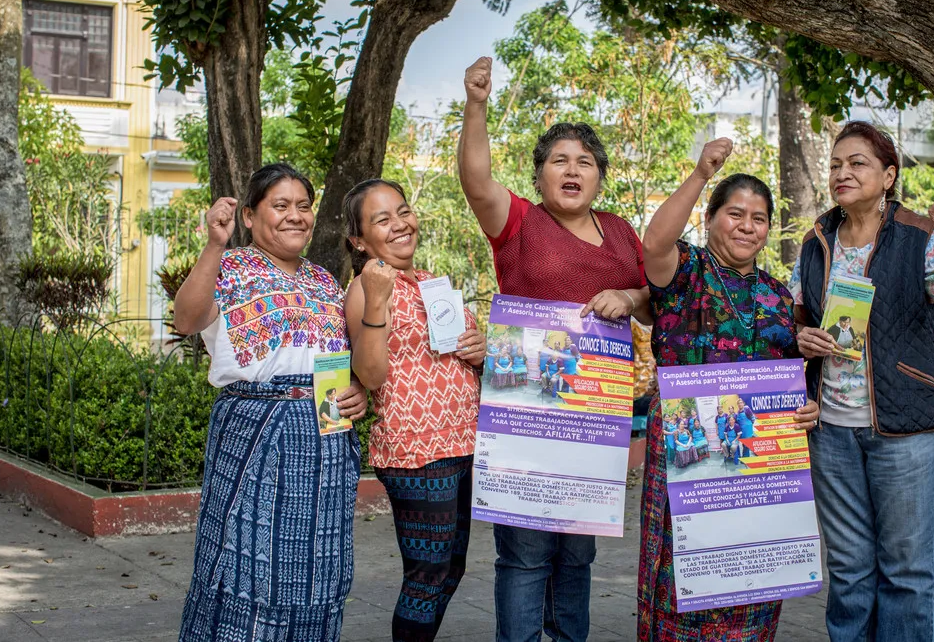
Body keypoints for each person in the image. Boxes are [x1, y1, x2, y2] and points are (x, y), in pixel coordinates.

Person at [459, 56, 651, 642]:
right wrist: (476, 104)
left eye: (585, 163)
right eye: (559, 161)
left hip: (595, 415)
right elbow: (474, 177)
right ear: (539, 176)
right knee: (524, 555)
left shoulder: (620, 231)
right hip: (525, 412)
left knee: (576, 556)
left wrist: (628, 292)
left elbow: (652, 298)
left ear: (599, 177)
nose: (572, 170)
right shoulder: (517, 222)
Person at [791, 121, 934, 642]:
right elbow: (794, 321)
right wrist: (802, 338)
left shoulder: (921, 237)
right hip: (831, 430)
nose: (842, 172)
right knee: (851, 572)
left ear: (888, 175)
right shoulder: (816, 242)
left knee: (906, 573)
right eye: (835, 164)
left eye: (857, 163)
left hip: (905, 430)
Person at [173, 163, 367, 642]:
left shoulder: (324, 281)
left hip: (325, 430)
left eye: (303, 206)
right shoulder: (232, 267)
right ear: (249, 216)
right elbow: (186, 319)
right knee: (248, 558)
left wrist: (357, 389)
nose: (295, 216)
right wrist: (215, 245)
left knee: (319, 564)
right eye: (280, 206)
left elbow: (336, 358)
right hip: (257, 423)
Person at [639, 139, 819, 640]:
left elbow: (788, 383)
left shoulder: (778, 296)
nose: (747, 225)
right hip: (688, 456)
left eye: (758, 218)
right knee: (685, 575)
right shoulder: (685, 272)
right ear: (710, 218)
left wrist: (806, 408)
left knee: (753, 579)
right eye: (734, 214)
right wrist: (700, 172)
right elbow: (653, 243)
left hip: (757, 464)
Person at [342, 178, 488, 642]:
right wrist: (379, 298)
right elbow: (369, 374)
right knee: (427, 573)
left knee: (452, 567)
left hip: (464, 440)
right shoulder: (365, 288)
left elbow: (463, 355)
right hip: (416, 450)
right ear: (359, 241)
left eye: (403, 211)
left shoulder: (431, 283)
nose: (400, 224)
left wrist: (481, 349)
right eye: (382, 219)